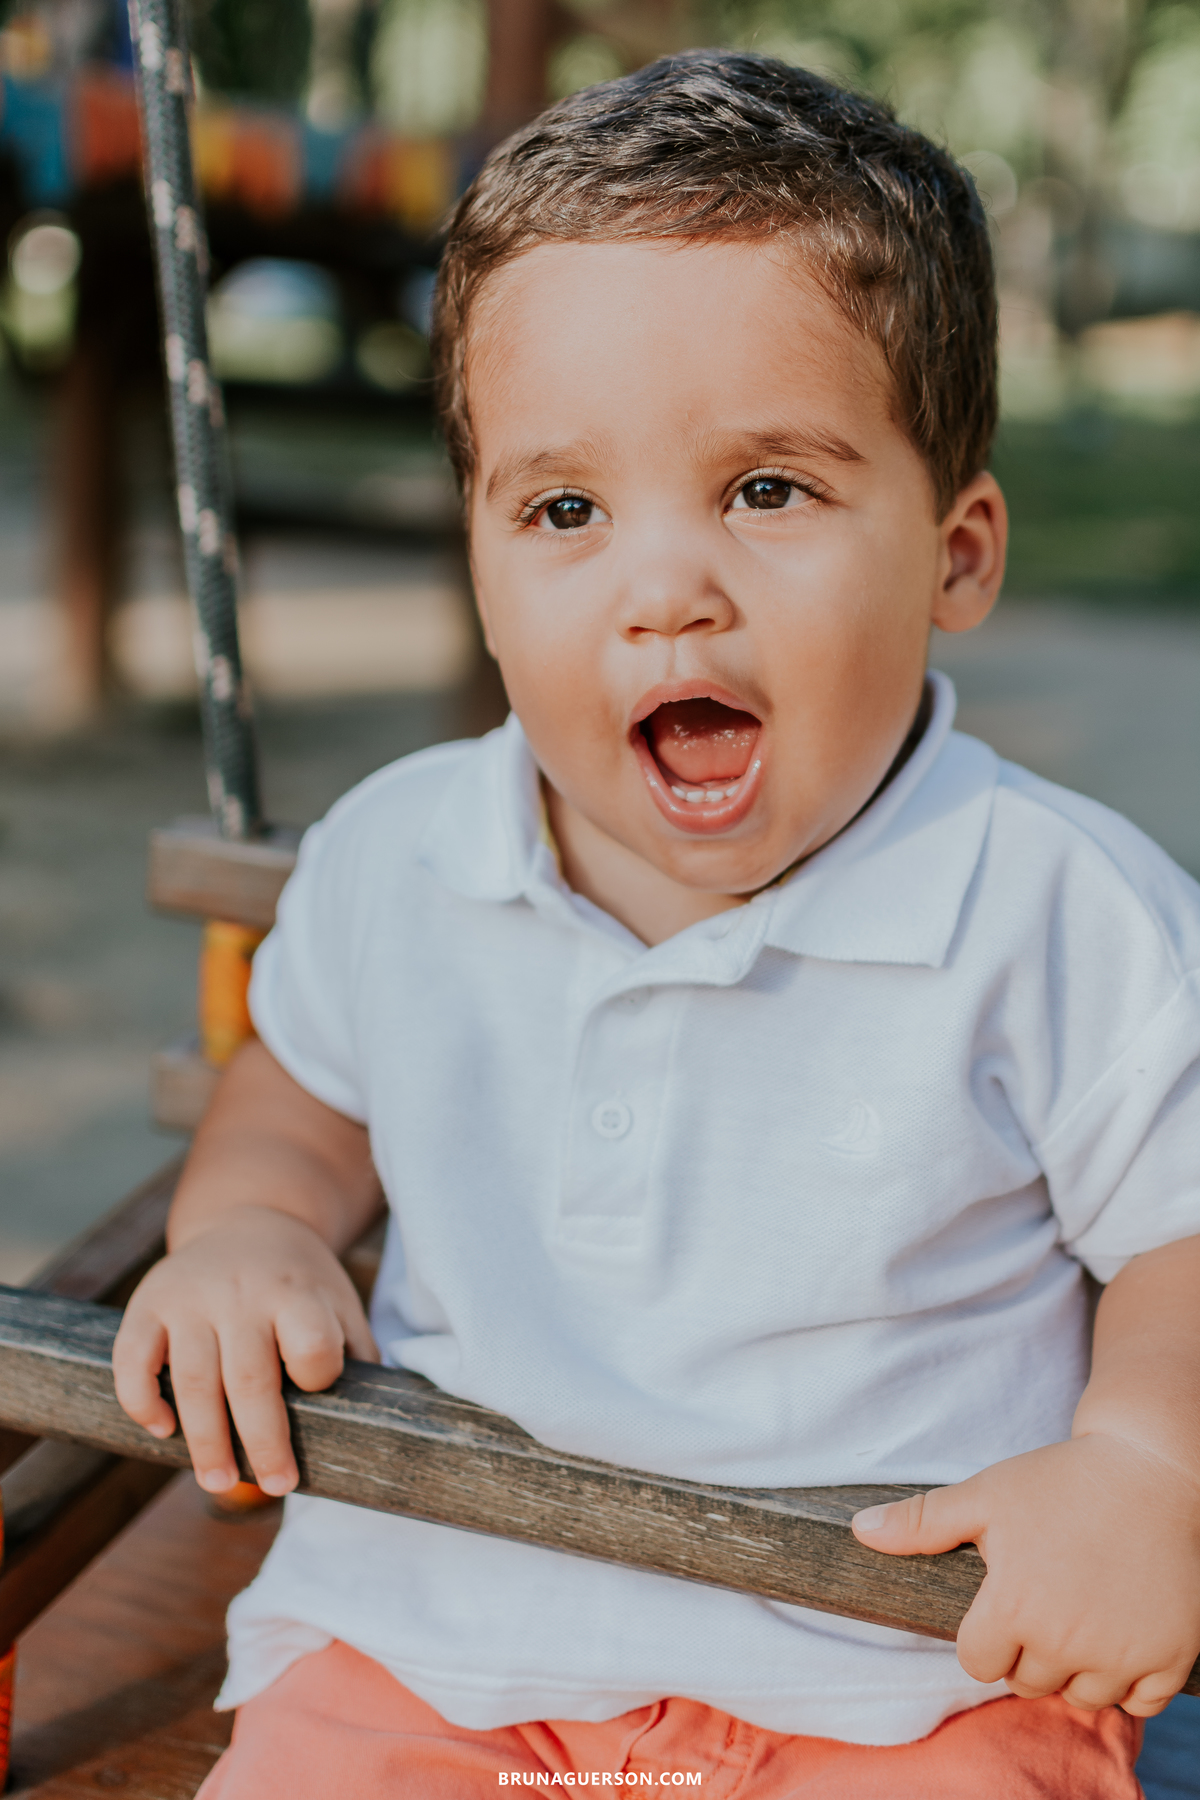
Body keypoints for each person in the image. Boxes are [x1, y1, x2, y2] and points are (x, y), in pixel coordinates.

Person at [112, 51, 1200, 1799]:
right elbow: (301, 1094)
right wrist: (251, 1226)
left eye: (767, 489)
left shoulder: (1059, 910)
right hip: (440, 1634)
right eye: (564, 510)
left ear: (957, 553)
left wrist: (1149, 1462)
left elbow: (1184, 1231)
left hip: (910, 1669)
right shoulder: (405, 859)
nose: (662, 589)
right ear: (480, 558)